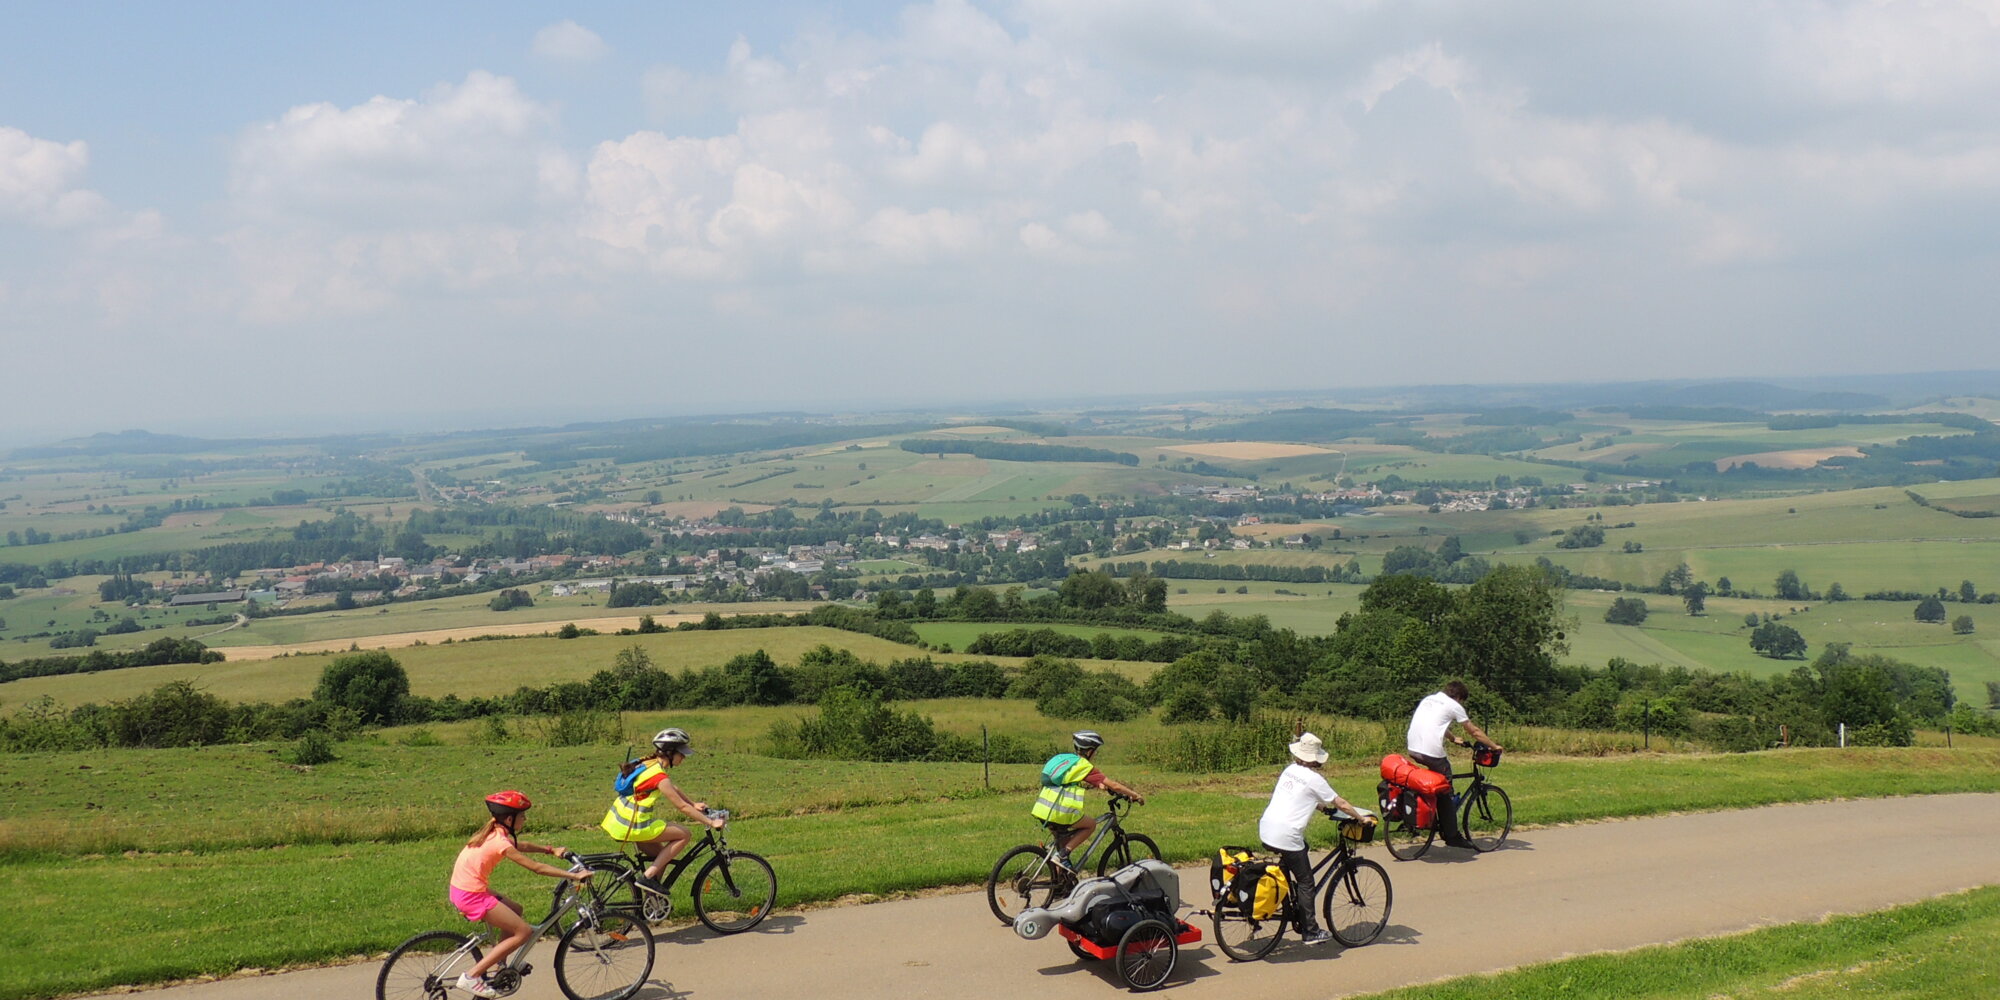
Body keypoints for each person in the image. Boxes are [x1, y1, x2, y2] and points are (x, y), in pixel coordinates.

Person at [449, 791, 589, 999]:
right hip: (472, 895)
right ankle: (471, 977)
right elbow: (536, 868)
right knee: (523, 932)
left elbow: (520, 845)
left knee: (516, 910)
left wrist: (550, 849)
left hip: (465, 888)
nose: (525, 819)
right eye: (522, 816)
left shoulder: (496, 832)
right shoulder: (499, 841)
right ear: (509, 819)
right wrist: (574, 876)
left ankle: (501, 965)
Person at [1257, 732, 1372, 945]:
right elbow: (1343, 804)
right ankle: (1310, 931)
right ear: (1316, 758)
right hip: (1286, 835)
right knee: (1306, 881)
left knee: (1301, 851)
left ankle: (1289, 900)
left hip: (1266, 829)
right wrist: (1360, 818)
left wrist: (1320, 807)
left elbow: (1300, 796)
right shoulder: (1315, 779)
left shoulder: (1290, 770)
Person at [601, 727, 725, 895]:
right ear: (670, 753)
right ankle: (647, 877)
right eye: (681, 754)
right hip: (635, 826)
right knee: (684, 834)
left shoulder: (648, 763)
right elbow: (681, 807)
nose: (683, 758)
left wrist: (693, 803)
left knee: (663, 856)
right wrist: (711, 822)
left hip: (619, 823)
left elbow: (672, 788)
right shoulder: (659, 776)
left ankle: (653, 902)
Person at [1406, 681, 1501, 849]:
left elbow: (1435, 724)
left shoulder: (1430, 699)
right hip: (1430, 751)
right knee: (1445, 788)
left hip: (1413, 748)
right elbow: (1474, 732)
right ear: (1459, 697)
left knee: (1433, 784)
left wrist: (1452, 738)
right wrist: (1494, 746)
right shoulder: (1454, 705)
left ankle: (1431, 815)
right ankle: (1452, 835)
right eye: (1461, 701)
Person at [1031, 730, 1144, 868]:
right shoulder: (1084, 766)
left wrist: (1101, 786)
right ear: (1089, 751)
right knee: (1090, 825)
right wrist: (1136, 795)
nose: (1095, 754)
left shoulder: (1068, 761)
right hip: (1060, 812)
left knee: (1063, 848)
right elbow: (1115, 785)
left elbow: (1084, 780)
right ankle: (1063, 854)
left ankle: (1060, 885)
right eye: (1095, 751)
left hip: (1043, 809)